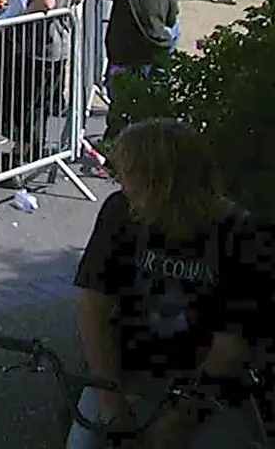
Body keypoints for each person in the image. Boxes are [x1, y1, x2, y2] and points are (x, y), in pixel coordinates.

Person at [70, 119, 266, 449]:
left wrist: (182, 416)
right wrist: (110, 398)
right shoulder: (121, 211)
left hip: (204, 381)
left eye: (129, 172)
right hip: (126, 366)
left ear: (161, 182)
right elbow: (94, 307)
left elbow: (233, 343)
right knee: (85, 444)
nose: (120, 181)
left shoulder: (237, 232)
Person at [86, 0, 176, 142]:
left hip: (126, 53)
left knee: (119, 106)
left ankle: (113, 149)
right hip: (158, 50)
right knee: (154, 108)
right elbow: (170, 19)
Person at [19, 0, 86, 176]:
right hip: (60, 42)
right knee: (42, 103)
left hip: (43, 46)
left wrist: (26, 13)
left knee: (32, 105)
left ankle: (24, 159)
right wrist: (67, 7)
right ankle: (30, 155)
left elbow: (45, 0)